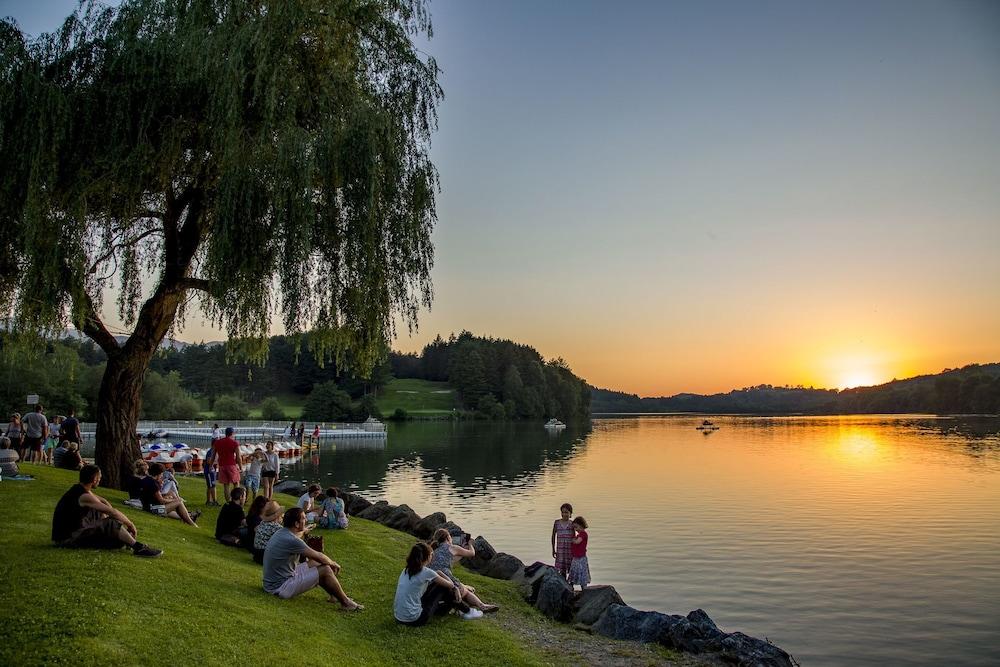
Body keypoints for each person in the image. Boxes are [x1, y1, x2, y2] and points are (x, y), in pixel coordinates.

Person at [261, 507, 363, 610]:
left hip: (273, 583)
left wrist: (304, 530)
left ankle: (334, 596)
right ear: (296, 524)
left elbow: (299, 536)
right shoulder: (292, 540)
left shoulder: (282, 532)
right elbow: (318, 556)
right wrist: (333, 563)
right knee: (325, 569)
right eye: (304, 519)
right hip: (280, 588)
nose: (306, 521)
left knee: (315, 563)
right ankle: (346, 603)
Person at [51, 464, 162, 557]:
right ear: (94, 479)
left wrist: (106, 516)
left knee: (117, 540)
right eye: (99, 477)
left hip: (73, 533)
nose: (100, 480)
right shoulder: (83, 496)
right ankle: (139, 548)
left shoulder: (81, 489)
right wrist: (130, 524)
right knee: (111, 522)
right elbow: (112, 512)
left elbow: (103, 501)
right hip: (67, 538)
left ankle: (127, 541)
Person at [393, 542, 478, 626]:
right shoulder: (426, 572)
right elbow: (451, 585)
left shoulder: (406, 570)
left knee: (437, 586)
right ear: (427, 557)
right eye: (431, 554)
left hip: (399, 618)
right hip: (416, 619)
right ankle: (468, 611)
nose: (432, 556)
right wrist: (440, 573)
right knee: (443, 587)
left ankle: (453, 609)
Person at [429, 529, 499, 613]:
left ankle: (464, 588)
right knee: (466, 592)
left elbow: (452, 558)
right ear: (448, 538)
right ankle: (482, 606)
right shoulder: (452, 547)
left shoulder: (433, 550)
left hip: (432, 583)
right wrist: (470, 544)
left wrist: (462, 547)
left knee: (459, 586)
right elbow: (471, 553)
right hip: (445, 579)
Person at [140, 462, 200, 526]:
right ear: (159, 473)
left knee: (172, 503)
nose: (162, 476)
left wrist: (168, 498)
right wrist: (174, 500)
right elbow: (161, 500)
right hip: (153, 509)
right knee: (179, 502)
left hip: (146, 507)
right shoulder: (153, 484)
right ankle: (192, 524)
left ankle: (189, 516)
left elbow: (153, 496)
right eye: (162, 474)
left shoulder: (146, 479)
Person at [213, 427, 241, 501]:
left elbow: (213, 455)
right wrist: (240, 467)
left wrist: (211, 465)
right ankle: (235, 500)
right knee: (236, 483)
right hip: (231, 465)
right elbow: (238, 457)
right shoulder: (234, 443)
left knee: (226, 485)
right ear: (232, 433)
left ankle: (228, 502)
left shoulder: (218, 442)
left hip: (222, 466)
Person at [551, 503, 575, 579]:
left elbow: (574, 538)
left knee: (571, 569)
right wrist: (553, 549)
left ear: (570, 513)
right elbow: (553, 535)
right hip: (560, 550)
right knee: (562, 570)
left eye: (566, 512)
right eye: (563, 512)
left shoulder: (572, 524)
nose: (564, 514)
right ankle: (563, 585)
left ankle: (571, 586)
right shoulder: (557, 523)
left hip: (569, 550)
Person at [568, 516, 591, 590]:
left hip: (581, 558)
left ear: (581, 525)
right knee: (574, 571)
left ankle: (584, 588)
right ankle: (571, 586)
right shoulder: (579, 535)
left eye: (576, 527)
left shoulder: (583, 534)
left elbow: (578, 542)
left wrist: (573, 540)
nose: (575, 529)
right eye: (574, 528)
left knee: (582, 573)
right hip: (576, 557)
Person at [203, 441, 219, 506]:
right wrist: (217, 462)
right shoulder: (211, 452)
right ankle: (214, 501)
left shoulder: (214, 451)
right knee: (212, 486)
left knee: (210, 486)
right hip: (209, 471)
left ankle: (209, 501)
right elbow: (209, 461)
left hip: (212, 471)